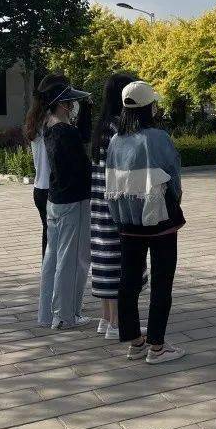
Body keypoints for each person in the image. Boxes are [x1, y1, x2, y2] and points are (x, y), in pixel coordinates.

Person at [106, 81, 186, 364]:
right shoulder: (157, 137)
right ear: (150, 106)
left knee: (128, 280)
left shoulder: (115, 140)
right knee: (162, 281)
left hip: (128, 219)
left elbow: (112, 181)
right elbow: (173, 176)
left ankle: (134, 341)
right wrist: (175, 199)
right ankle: (157, 346)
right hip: (160, 217)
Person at [36, 77, 94, 330]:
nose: (73, 107)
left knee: (52, 258)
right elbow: (81, 166)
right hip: (74, 201)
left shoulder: (47, 128)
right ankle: (65, 315)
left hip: (54, 200)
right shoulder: (66, 132)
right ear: (62, 105)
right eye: (71, 102)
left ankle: (47, 313)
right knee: (72, 259)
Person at [90, 72, 138, 340]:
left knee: (104, 259)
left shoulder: (102, 126)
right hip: (115, 205)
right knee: (120, 262)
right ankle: (118, 322)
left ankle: (107, 318)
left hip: (98, 204)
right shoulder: (121, 129)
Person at [24, 73, 67, 258]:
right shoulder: (55, 123)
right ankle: (54, 280)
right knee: (58, 240)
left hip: (39, 188)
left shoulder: (36, 120)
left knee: (48, 236)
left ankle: (47, 278)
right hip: (54, 187)